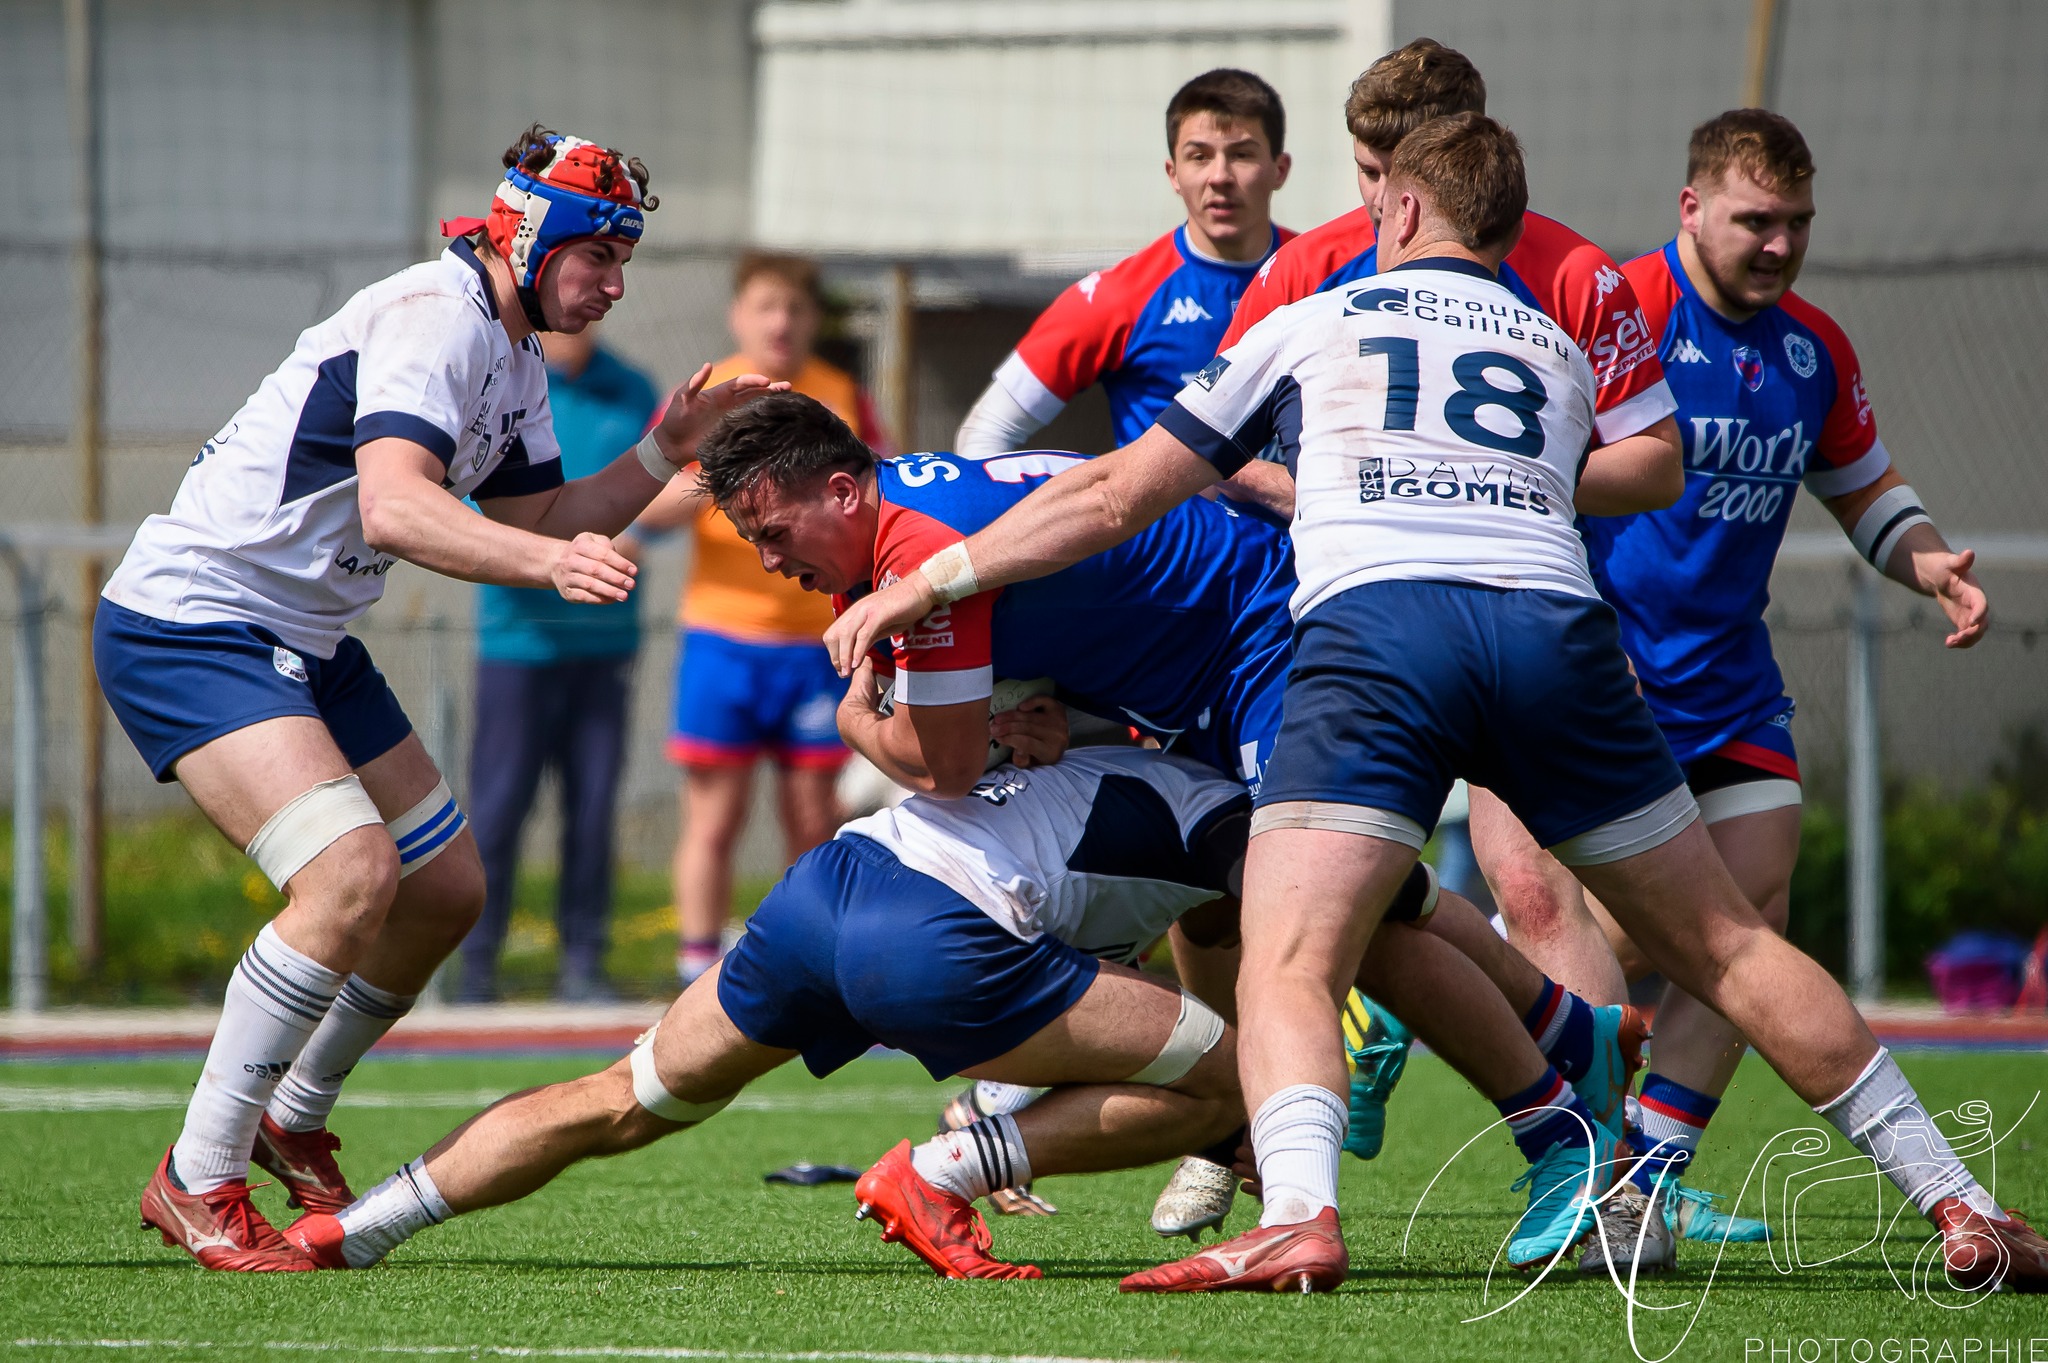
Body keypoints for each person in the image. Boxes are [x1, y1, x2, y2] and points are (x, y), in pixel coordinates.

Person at [822, 112, 2048, 1294]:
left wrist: (929, 577)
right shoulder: (1559, 347)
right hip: (1554, 635)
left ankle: (1298, 1221)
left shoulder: (1312, 315)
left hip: (1379, 638)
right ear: (1508, 235)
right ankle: (1960, 1201)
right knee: (1726, 943)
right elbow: (1636, 472)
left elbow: (1106, 498)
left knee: (1292, 956)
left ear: (1398, 206)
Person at [693, 394, 1660, 1266]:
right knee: (1240, 908)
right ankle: (1564, 1034)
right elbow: (1067, 629)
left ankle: (1552, 1136)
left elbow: (940, 765)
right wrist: (1038, 722)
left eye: (773, 532)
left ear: (840, 490)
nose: (771, 560)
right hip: (1186, 667)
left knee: (1317, 906)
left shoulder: (910, 553)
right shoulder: (891, 529)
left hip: (1262, 631)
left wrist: (858, 720)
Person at [94, 126, 775, 1271]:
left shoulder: (508, 353)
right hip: (195, 621)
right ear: (526, 234)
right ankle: (198, 1176)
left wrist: (665, 451)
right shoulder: (436, 316)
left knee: (445, 887)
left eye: (625, 257)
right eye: (598, 253)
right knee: (352, 874)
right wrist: (551, 567)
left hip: (299, 637)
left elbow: (541, 521)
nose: (615, 281)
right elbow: (397, 512)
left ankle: (291, 1113)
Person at [281, 744, 1642, 1278]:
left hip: (831, 883)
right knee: (1255, 1082)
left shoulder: (1095, 756)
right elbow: (1404, 908)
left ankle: (356, 1227)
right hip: (943, 936)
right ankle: (940, 1168)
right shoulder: (1260, 810)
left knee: (624, 1100)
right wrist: (1563, 1013)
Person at [1208, 33, 1686, 1166]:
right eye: (1361, 171)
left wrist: (1486, 487)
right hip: (1352, 628)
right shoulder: (1309, 265)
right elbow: (1218, 443)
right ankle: (1249, 1142)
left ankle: (1605, 1174)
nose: (1375, 200)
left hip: (1519, 614)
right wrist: (1334, 495)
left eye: (1395, 173)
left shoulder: (1570, 269)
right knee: (1296, 902)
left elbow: (1657, 461)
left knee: (1531, 886)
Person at [1570, 108, 1992, 1270]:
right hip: (1607, 677)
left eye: (1796, 223)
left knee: (1751, 913)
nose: (1778, 243)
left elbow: (1863, 490)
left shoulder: (1813, 350)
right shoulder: (1615, 313)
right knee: (1613, 933)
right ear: (1689, 207)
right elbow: (1534, 480)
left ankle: (1637, 1193)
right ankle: (1451, 977)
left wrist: (1929, 563)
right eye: (1755, 219)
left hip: (1731, 686)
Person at [632, 252, 889, 986]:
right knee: (713, 818)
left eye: (797, 308)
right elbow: (646, 501)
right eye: (766, 305)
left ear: (815, 321)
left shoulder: (841, 395)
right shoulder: (708, 397)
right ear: (737, 315)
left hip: (817, 642)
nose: (782, 321)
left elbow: (884, 492)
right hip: (723, 639)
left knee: (815, 819)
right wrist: (721, 486)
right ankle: (694, 974)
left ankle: (809, 966)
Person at [459, 323, 663, 1004]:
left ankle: (583, 963)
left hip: (604, 647)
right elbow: (466, 504)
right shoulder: (501, 382)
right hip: (517, 646)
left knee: (593, 809)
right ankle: (475, 966)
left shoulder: (632, 390)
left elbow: (660, 491)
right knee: (498, 808)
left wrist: (637, 534)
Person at [954, 69, 1294, 457]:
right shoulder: (1122, 296)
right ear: (1174, 174)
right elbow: (985, 433)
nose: (1219, 176)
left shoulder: (1333, 273)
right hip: (1170, 520)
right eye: (1199, 157)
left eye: (1242, 155)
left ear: (1279, 169)